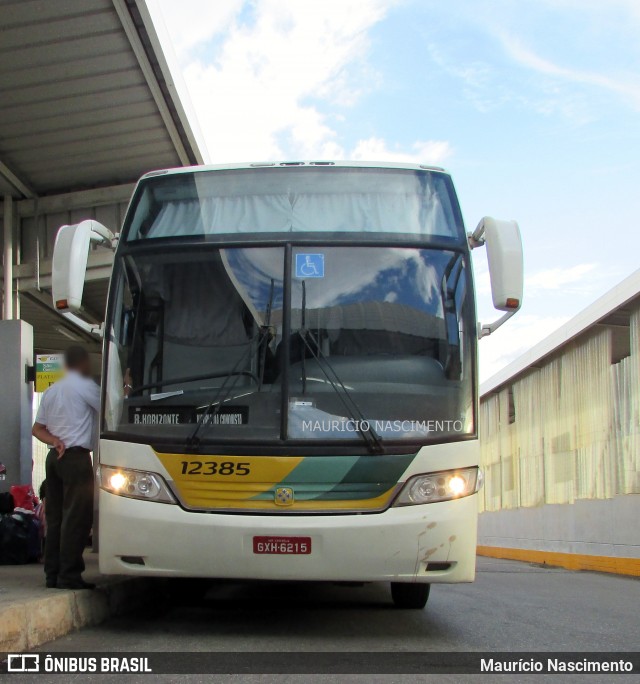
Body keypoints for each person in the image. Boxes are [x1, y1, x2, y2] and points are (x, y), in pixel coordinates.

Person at [32, 346, 100, 590]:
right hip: (76, 459)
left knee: (56, 517)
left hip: (54, 458)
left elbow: (37, 428)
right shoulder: (86, 387)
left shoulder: (52, 391)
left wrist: (54, 441)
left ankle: (52, 574)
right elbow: (112, 406)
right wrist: (125, 387)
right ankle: (69, 575)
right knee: (77, 518)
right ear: (82, 364)